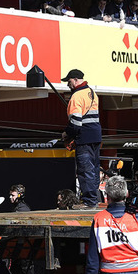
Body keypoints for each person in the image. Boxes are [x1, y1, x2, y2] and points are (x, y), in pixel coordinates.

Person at [61, 68, 102, 208]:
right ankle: (94, 199)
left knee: (85, 170)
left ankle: (90, 202)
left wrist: (66, 134)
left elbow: (76, 124)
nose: (68, 84)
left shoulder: (76, 96)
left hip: (84, 138)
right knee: (94, 168)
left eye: (69, 81)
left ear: (76, 80)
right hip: (96, 136)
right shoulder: (92, 93)